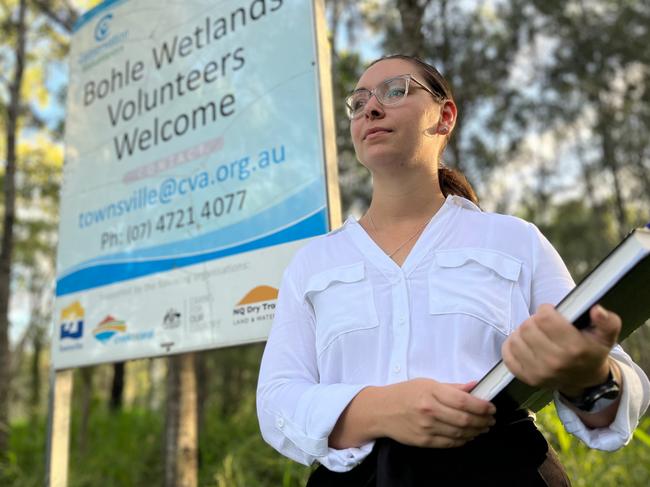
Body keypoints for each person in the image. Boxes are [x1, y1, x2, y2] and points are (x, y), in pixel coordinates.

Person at [256, 54, 650, 486]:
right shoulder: (313, 262)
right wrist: (383, 408)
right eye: (360, 100)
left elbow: (615, 380)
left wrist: (589, 377)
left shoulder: (514, 240)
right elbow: (277, 401)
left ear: (444, 117)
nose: (371, 108)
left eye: (395, 90)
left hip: (502, 472)